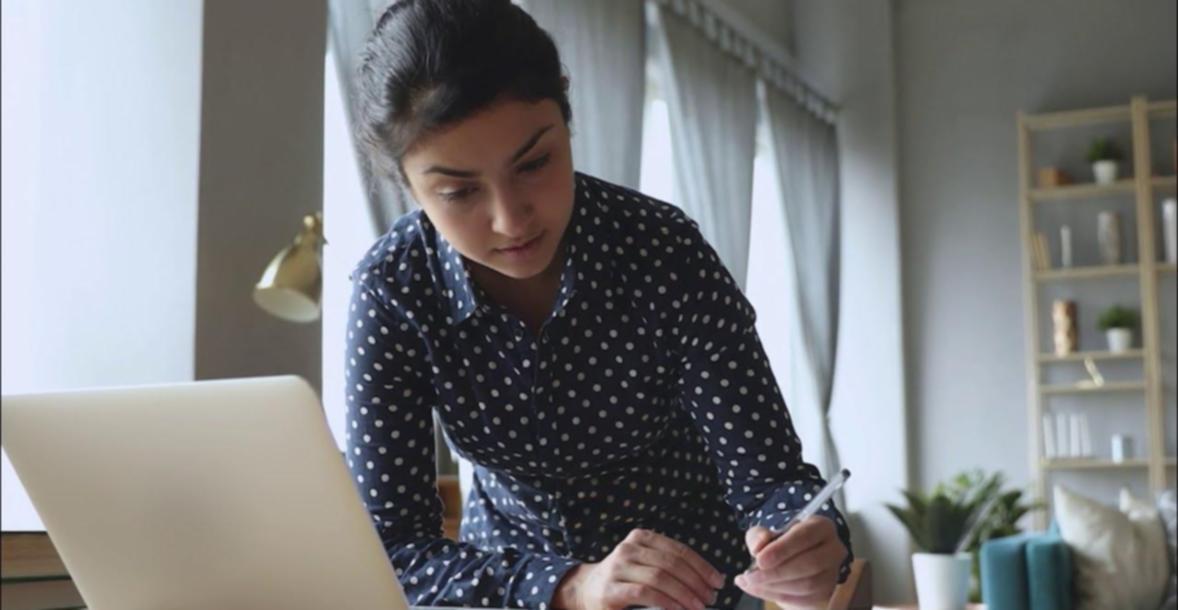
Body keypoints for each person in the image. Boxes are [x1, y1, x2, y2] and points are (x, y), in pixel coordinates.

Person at [343, 1, 852, 608]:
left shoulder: (663, 251)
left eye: (535, 163)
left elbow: (770, 479)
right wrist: (568, 586)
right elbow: (391, 548)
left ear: (567, 111)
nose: (510, 220)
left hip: (696, 589)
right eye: (457, 191)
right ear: (407, 183)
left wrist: (812, 534)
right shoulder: (393, 289)